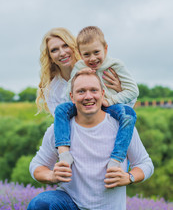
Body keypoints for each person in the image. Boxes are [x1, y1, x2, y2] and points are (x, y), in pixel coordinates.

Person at [27, 71, 154, 210]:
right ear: (72, 97)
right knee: (41, 204)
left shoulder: (121, 127)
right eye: (81, 91)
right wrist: (52, 175)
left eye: (94, 90)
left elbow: (145, 164)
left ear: (102, 94)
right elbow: (37, 165)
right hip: (71, 204)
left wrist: (129, 177)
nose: (88, 96)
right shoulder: (57, 130)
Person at [36, 27, 123, 165]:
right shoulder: (53, 89)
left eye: (65, 46)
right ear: (50, 57)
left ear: (74, 47)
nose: (62, 52)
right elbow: (62, 123)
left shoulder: (95, 69)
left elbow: (126, 105)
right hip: (77, 140)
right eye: (54, 50)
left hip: (107, 134)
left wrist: (119, 90)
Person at [54, 26, 139, 169]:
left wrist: (110, 100)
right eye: (87, 54)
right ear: (80, 54)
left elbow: (133, 91)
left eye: (96, 52)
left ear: (105, 49)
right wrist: (78, 75)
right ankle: (64, 154)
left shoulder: (115, 65)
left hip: (110, 107)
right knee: (61, 109)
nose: (92, 58)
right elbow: (69, 93)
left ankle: (117, 158)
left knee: (128, 114)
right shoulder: (80, 66)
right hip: (85, 107)